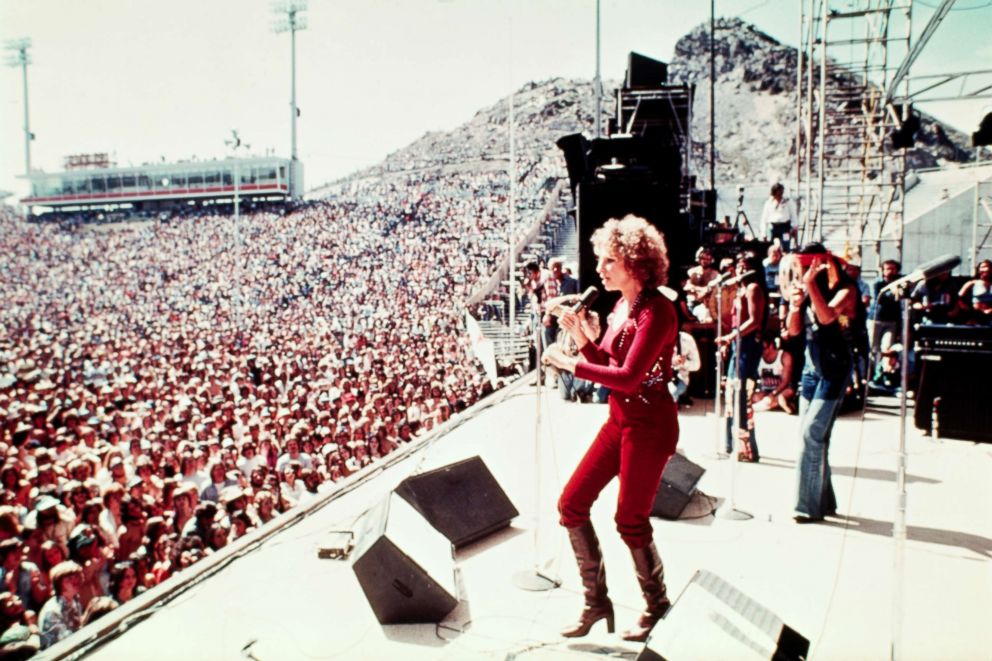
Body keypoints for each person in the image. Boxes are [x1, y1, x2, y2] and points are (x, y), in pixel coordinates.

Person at [541, 215, 678, 642]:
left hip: (650, 426)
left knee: (629, 520)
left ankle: (657, 606)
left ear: (636, 264)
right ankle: (596, 603)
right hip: (620, 420)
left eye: (609, 260)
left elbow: (630, 377)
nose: (600, 268)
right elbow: (611, 365)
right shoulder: (621, 306)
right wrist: (584, 340)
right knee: (571, 504)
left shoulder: (658, 311)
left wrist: (568, 362)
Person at [786, 243, 859, 523]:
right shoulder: (807, 288)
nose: (805, 271)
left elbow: (827, 316)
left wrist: (809, 286)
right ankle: (825, 501)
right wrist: (794, 306)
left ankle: (807, 507)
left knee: (811, 435)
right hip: (811, 366)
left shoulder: (847, 288)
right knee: (814, 438)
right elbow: (793, 333)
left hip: (835, 367)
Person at [716, 251, 767, 462]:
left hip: (747, 345)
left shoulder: (754, 288)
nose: (741, 269)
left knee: (742, 396)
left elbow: (754, 321)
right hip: (738, 343)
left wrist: (730, 337)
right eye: (739, 265)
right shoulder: (741, 289)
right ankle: (731, 444)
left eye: (745, 266)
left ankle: (747, 449)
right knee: (731, 394)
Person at [759, 183, 796, 252]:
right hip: (773, 228)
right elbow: (764, 218)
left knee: (786, 245)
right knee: (773, 247)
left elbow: (793, 215)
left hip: (785, 228)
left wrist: (794, 227)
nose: (779, 195)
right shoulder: (768, 203)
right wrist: (763, 232)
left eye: (781, 192)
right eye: (777, 193)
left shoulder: (788, 202)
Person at [957, 259, 992, 323]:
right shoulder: (972, 283)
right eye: (983, 267)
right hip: (975, 315)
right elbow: (958, 297)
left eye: (988, 267)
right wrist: (967, 309)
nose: (986, 269)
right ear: (979, 270)